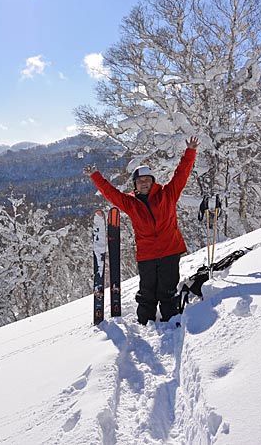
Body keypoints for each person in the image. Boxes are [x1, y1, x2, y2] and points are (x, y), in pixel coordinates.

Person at [84, 136, 199, 325]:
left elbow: (181, 174)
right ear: (135, 185)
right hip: (146, 255)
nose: (144, 183)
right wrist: (96, 176)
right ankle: (145, 321)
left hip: (170, 250)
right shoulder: (131, 204)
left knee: (167, 289)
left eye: (147, 180)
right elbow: (111, 194)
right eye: (140, 181)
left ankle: (171, 320)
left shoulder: (167, 194)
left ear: (153, 182)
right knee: (147, 290)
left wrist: (190, 151)